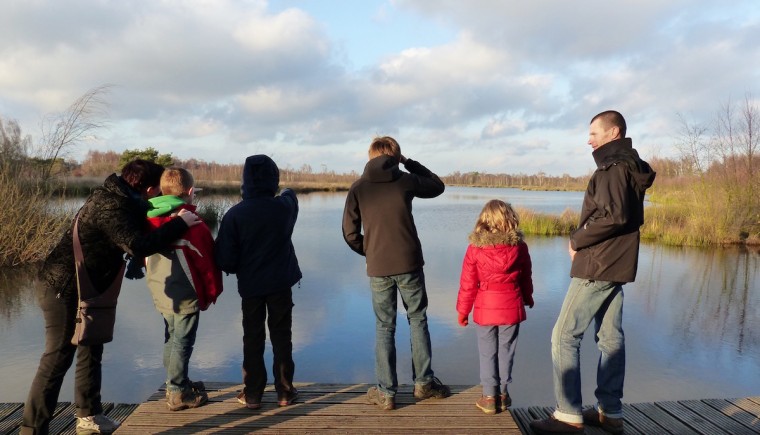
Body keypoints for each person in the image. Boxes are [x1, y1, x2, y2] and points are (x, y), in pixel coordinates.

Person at [22, 159, 201, 435]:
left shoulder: (122, 198)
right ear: (150, 188)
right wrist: (180, 224)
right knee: (58, 357)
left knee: (92, 347)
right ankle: (32, 428)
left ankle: (89, 414)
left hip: (89, 287)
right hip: (63, 288)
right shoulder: (112, 205)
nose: (160, 197)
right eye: (158, 192)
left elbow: (142, 221)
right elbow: (137, 245)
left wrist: (171, 214)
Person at [530, 111, 656, 435]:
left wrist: (576, 238)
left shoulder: (614, 169)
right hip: (615, 265)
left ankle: (567, 415)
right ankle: (610, 412)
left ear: (613, 132)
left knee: (563, 335)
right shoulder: (628, 166)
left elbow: (614, 217)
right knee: (610, 337)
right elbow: (620, 216)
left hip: (598, 265)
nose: (589, 140)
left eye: (594, 134)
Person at [342, 136, 451, 411]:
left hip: (378, 268)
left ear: (370, 157)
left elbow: (350, 233)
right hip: (409, 264)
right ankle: (424, 384)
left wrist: (371, 250)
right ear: (395, 157)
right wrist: (408, 162)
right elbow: (437, 185)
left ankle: (386, 393)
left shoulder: (358, 188)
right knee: (417, 319)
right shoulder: (405, 180)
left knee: (384, 327)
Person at [215, 155, 302, 410]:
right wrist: (285, 189)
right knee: (281, 337)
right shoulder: (284, 207)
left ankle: (253, 394)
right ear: (273, 179)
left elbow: (226, 261)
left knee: (252, 337)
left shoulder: (234, 215)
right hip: (280, 284)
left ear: (245, 181)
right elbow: (291, 196)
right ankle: (285, 392)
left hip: (251, 287)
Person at [144, 167, 223, 411]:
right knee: (183, 341)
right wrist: (211, 294)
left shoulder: (147, 221)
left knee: (171, 335)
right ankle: (177, 391)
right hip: (186, 294)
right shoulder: (195, 227)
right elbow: (208, 265)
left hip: (161, 291)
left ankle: (175, 382)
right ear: (189, 192)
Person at [456, 199, 534, 415]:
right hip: (512, 306)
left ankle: (489, 397)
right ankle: (503, 394)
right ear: (510, 219)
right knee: (506, 351)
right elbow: (526, 277)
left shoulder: (475, 249)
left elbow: (468, 283)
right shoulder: (520, 247)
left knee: (487, 352)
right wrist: (528, 297)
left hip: (485, 308)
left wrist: (463, 311)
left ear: (483, 220)